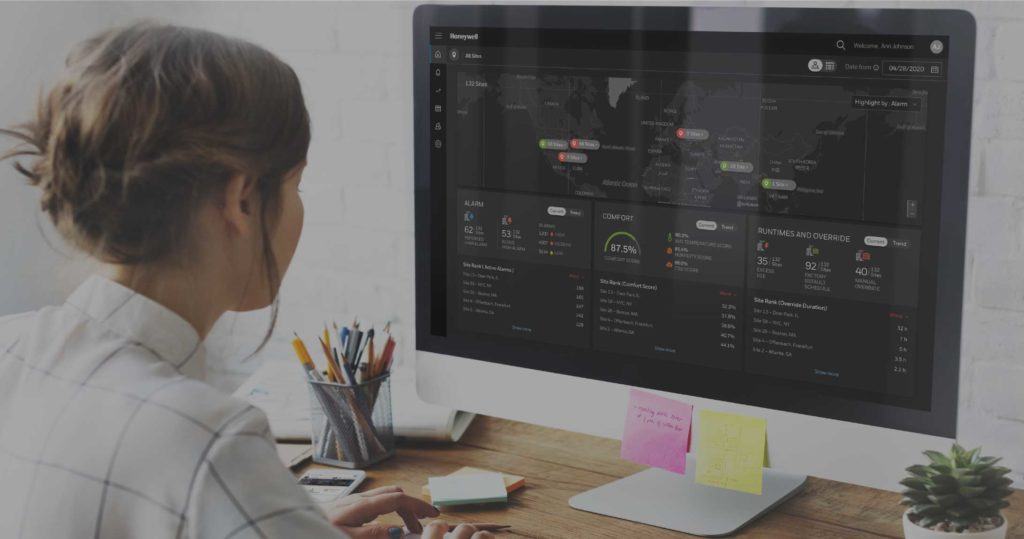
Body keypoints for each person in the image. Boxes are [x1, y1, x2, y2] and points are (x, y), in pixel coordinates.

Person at [0, 21, 494, 539]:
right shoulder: (210, 445)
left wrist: (273, 520)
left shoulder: (11, 348)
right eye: (295, 184)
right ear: (240, 200)